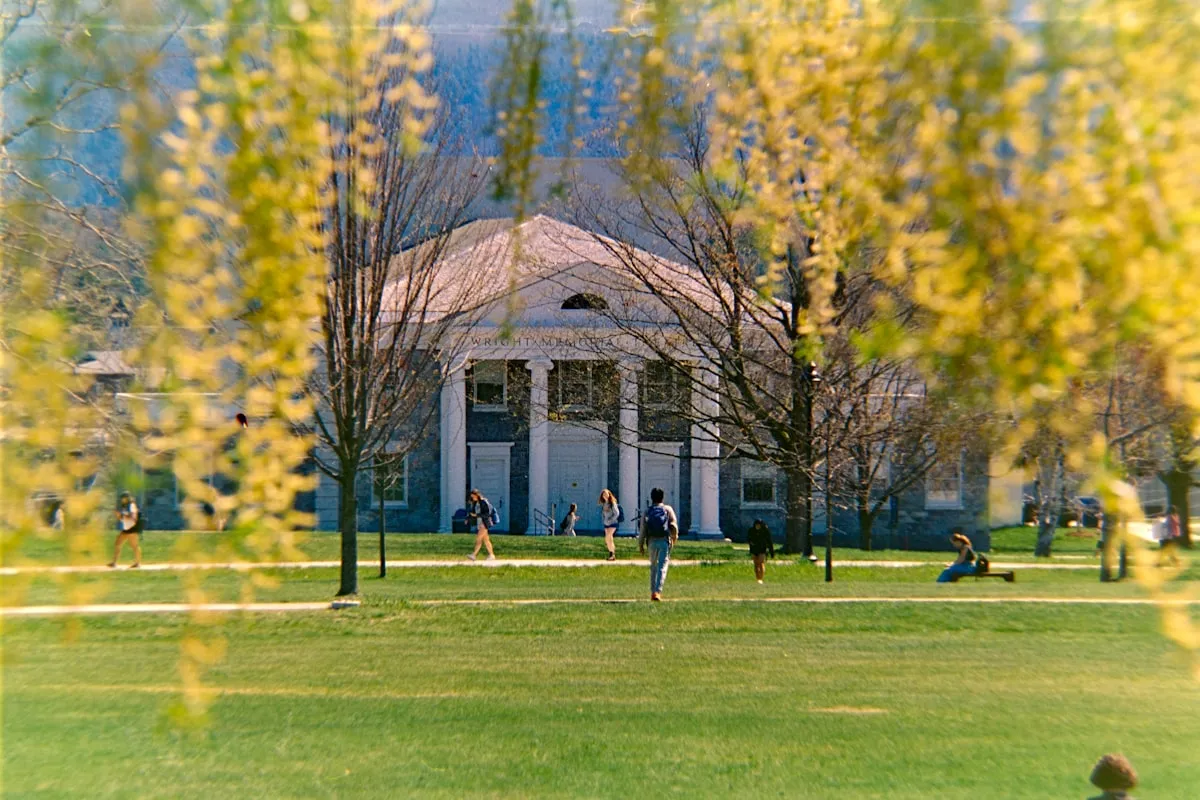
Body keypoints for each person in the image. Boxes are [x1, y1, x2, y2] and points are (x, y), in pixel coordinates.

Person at [638, 487, 678, 601]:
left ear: (651, 498)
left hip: (651, 541)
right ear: (662, 497)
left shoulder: (647, 511)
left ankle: (652, 592)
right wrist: (674, 538)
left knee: (653, 567)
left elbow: (643, 529)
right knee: (662, 567)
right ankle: (657, 592)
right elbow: (674, 525)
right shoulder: (667, 509)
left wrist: (641, 544)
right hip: (664, 541)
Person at [108, 491, 142, 568]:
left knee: (134, 546)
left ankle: (138, 563)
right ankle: (114, 563)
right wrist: (118, 515)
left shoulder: (132, 505)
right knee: (118, 543)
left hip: (132, 528)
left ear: (127, 498)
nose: (122, 500)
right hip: (126, 528)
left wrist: (123, 515)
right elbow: (122, 519)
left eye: (123, 498)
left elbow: (133, 517)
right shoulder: (125, 506)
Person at [466, 489, 496, 561]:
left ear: (477, 495)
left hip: (484, 522)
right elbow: (472, 512)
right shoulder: (476, 503)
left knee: (479, 539)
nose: (473, 498)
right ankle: (491, 555)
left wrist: (477, 515)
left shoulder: (483, 502)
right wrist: (468, 518)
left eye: (474, 497)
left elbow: (487, 513)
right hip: (479, 523)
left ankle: (474, 555)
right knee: (486, 540)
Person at [747, 519, 775, 584]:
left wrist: (772, 552)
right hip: (754, 549)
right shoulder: (751, 531)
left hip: (762, 549)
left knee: (761, 562)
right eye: (756, 525)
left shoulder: (765, 531)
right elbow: (749, 539)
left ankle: (761, 578)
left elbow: (769, 542)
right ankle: (757, 578)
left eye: (759, 525)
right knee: (756, 564)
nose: (757, 526)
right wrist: (751, 545)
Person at [599, 489, 620, 560]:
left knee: (608, 537)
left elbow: (617, 513)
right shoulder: (604, 504)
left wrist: (611, 519)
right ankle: (612, 554)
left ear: (609, 494)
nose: (605, 495)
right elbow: (604, 514)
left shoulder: (612, 503)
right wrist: (605, 520)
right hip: (606, 523)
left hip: (613, 523)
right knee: (609, 539)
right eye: (603, 494)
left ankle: (612, 554)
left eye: (606, 494)